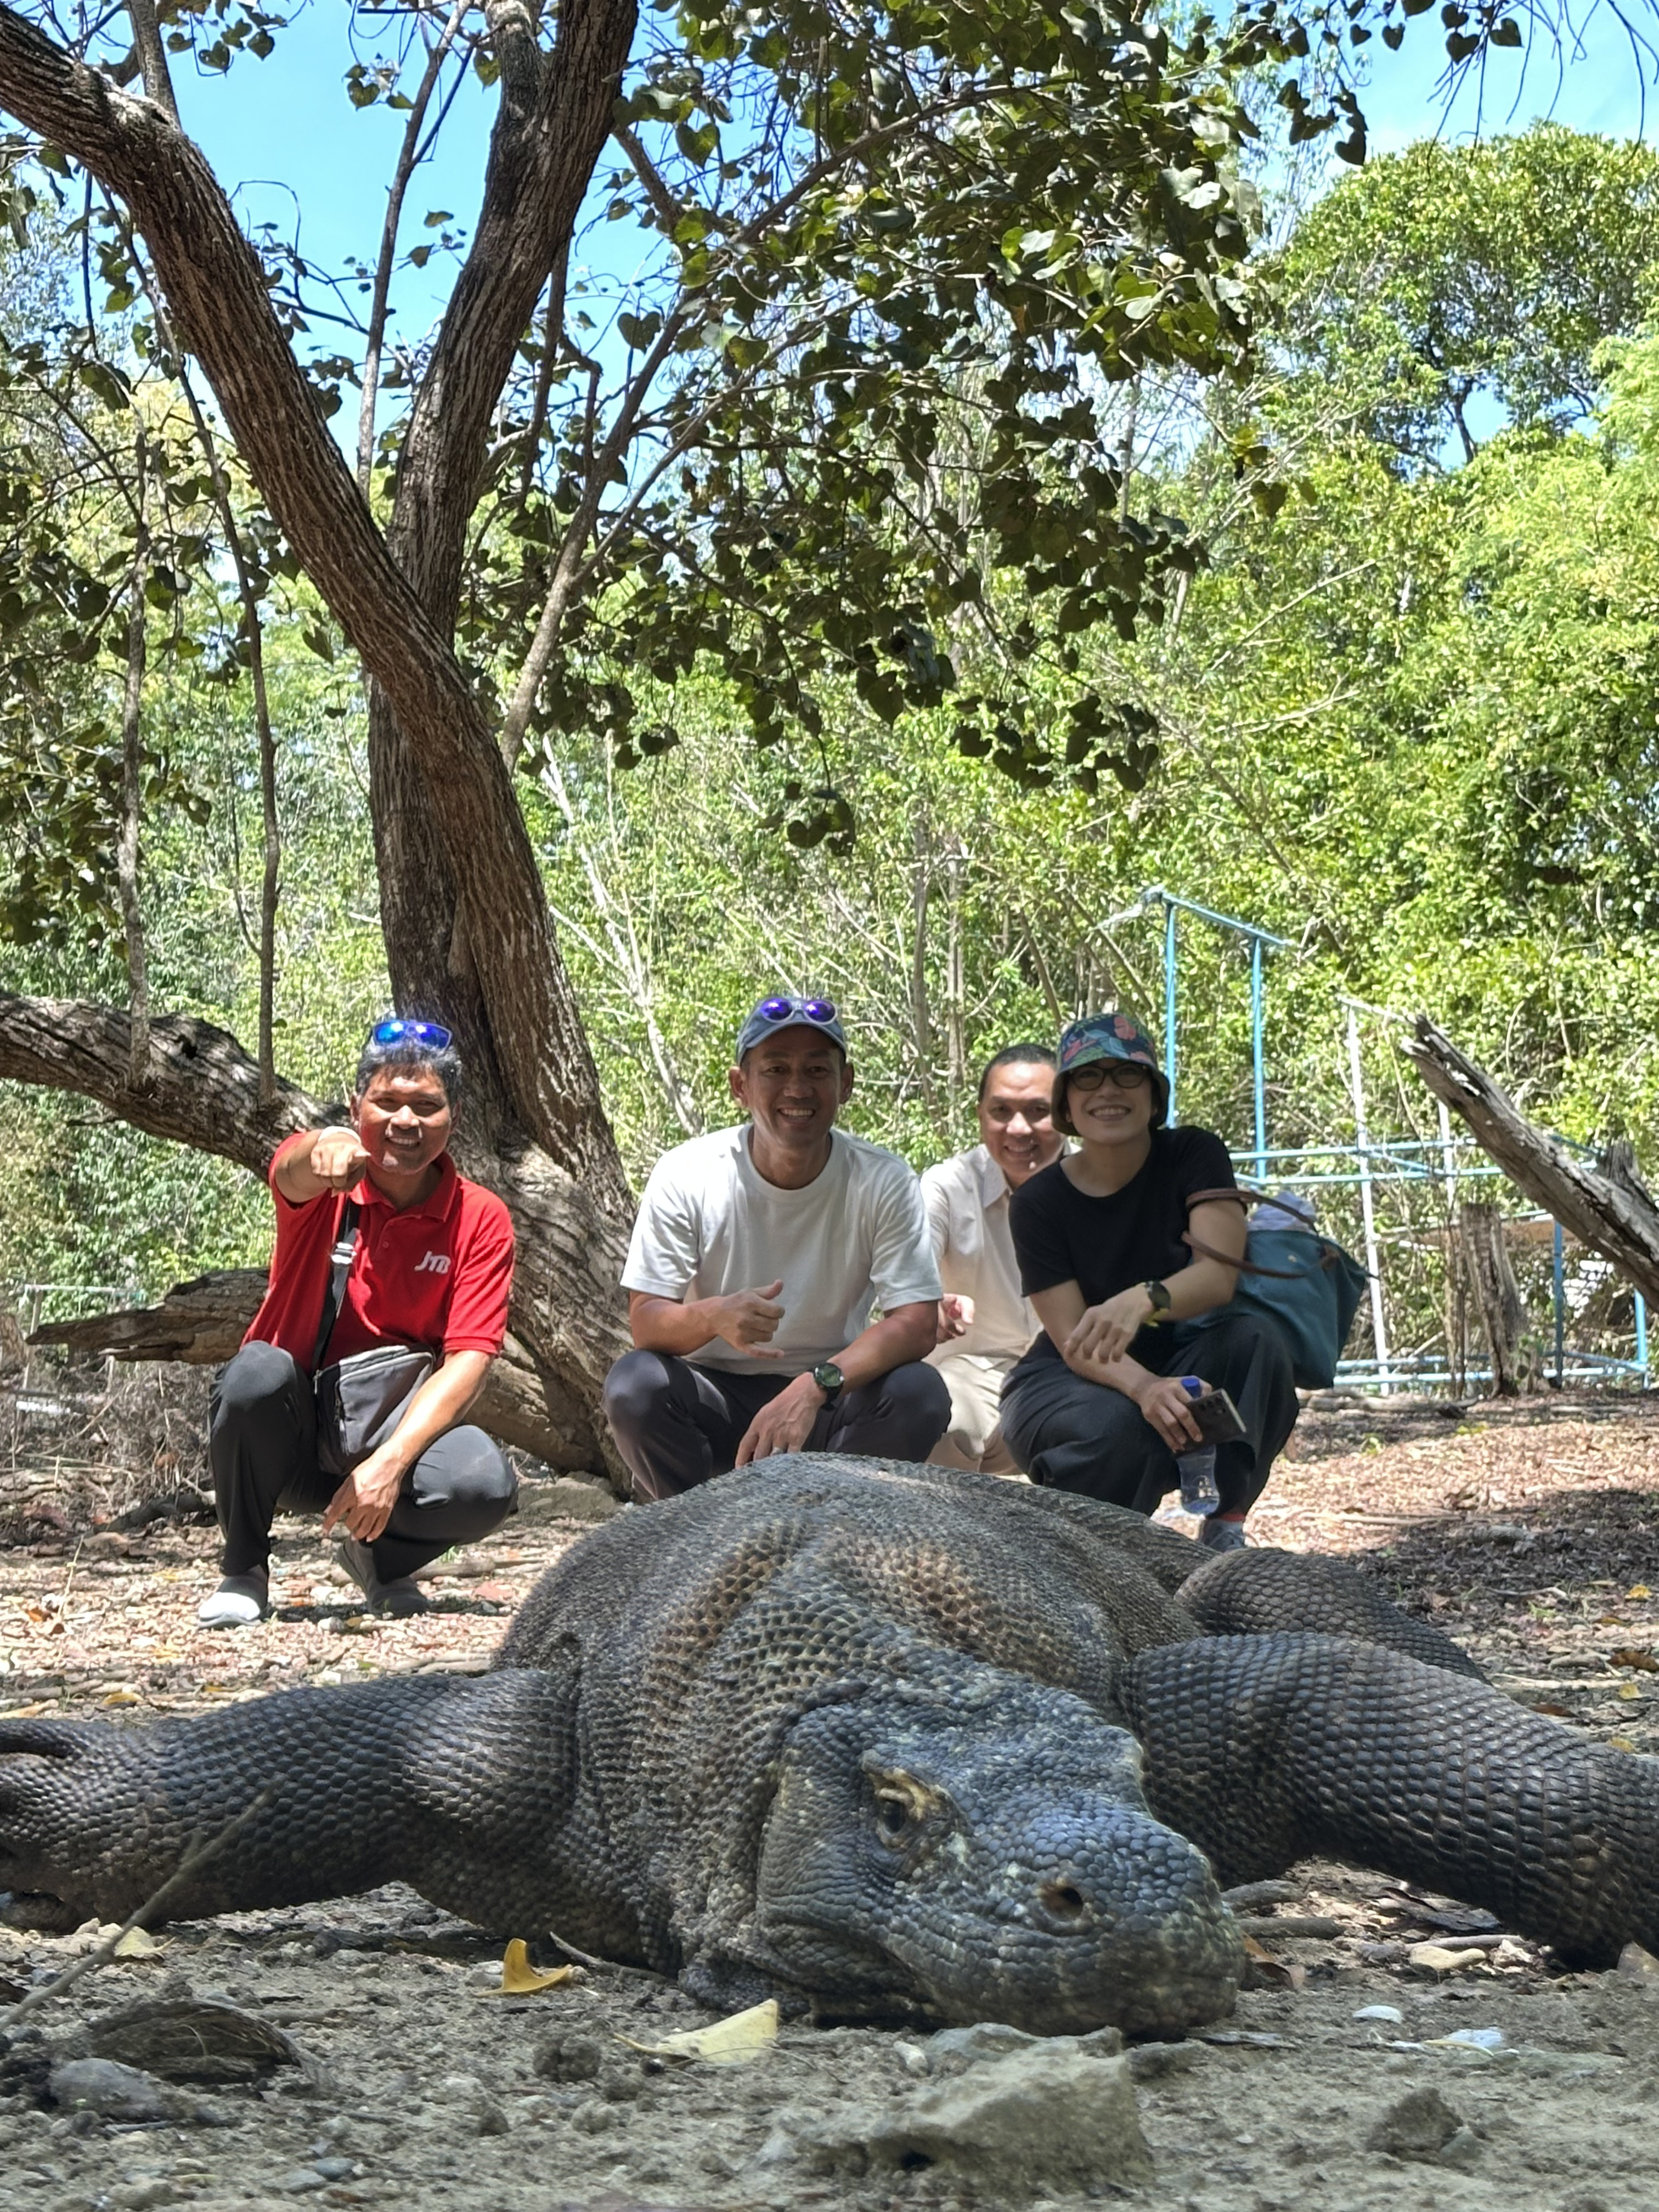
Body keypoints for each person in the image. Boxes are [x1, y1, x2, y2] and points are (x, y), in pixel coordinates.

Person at [198, 1018, 518, 1628]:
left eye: (427, 1106)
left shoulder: (481, 1217)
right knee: (254, 1374)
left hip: (385, 1437)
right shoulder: (324, 1186)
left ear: (453, 1118)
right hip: (294, 1440)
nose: (406, 1121)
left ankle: (381, 1560)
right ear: (356, 1105)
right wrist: (322, 1149)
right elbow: (292, 1167)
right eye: (388, 1102)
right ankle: (244, 1570)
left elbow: (470, 1359)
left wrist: (392, 1463)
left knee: (484, 1483)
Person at [603, 994, 950, 1498]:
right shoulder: (688, 1173)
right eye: (776, 1069)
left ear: (845, 1084)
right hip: (715, 1392)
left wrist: (815, 1385)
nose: (797, 1088)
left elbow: (917, 1324)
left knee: (919, 1392)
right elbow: (647, 1322)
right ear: (740, 1086)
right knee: (635, 1385)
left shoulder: (883, 1179)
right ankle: (698, 1531)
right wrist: (713, 1316)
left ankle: (828, 1529)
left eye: (816, 1069)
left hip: (831, 1393)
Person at [1000, 1012, 1296, 1548]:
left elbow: (1218, 1277)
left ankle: (1224, 1524)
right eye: (1088, 1077)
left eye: (1126, 1075)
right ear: (1066, 1104)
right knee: (1116, 1428)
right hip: (1075, 1376)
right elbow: (1073, 1340)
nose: (1108, 1091)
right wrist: (1146, 1389)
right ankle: (1106, 1553)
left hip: (1186, 1352)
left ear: (1154, 1095)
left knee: (1258, 1346)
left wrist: (1144, 1300)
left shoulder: (1193, 1153)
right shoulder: (1038, 1202)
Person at [924, 1043, 1065, 1475]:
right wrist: (929, 1304)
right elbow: (909, 1280)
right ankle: (946, 1540)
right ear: (981, 1114)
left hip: (1072, 1373)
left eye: (1038, 1111)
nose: (1019, 1129)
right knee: (938, 1418)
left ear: (1067, 1113)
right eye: (1001, 1111)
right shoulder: (948, 1187)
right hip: (974, 1371)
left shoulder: (1101, 1187)